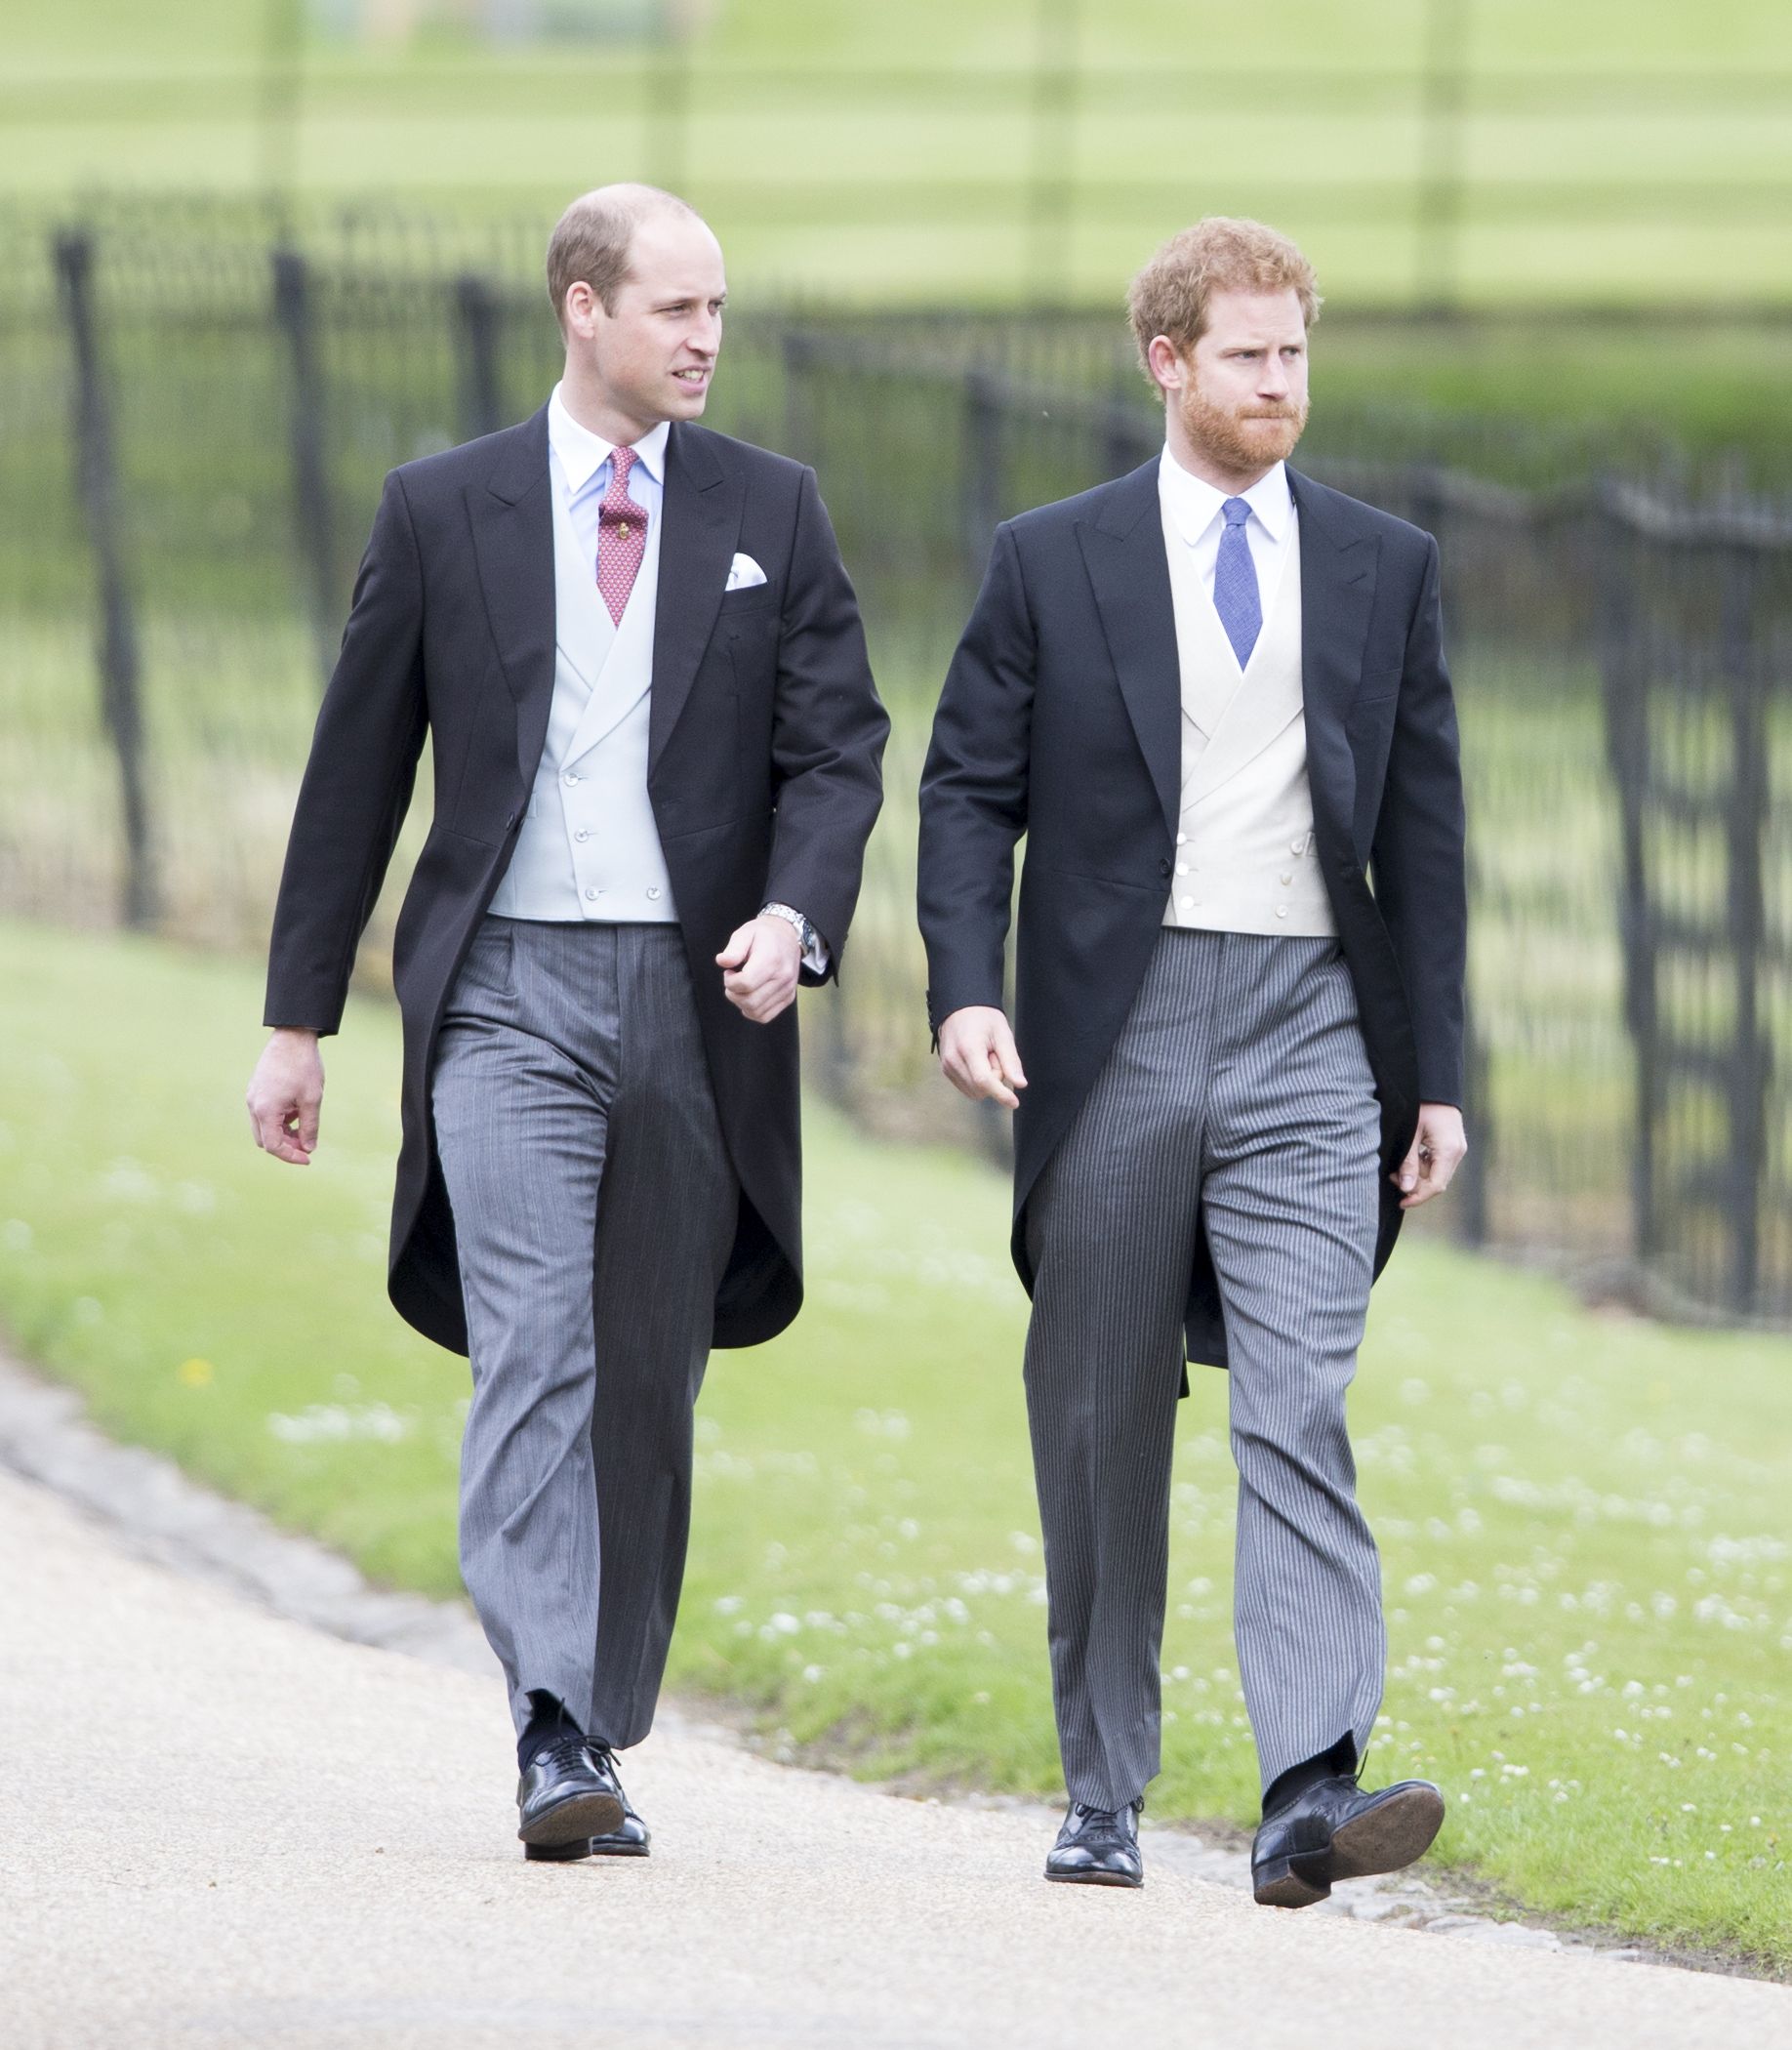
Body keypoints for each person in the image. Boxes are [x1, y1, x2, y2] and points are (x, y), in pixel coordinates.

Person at [247, 184, 886, 1863]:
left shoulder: (775, 508)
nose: (706, 341)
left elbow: (840, 751)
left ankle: (595, 1711)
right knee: (534, 1341)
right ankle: (548, 1724)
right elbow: (357, 773)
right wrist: (295, 1021)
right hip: (507, 996)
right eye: (676, 309)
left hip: (699, 1007)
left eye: (721, 311)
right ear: (582, 310)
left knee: (647, 1381)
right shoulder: (444, 507)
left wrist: (793, 917)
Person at [916, 217, 1467, 1902]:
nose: (1280, 383)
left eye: (1296, 353)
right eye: (1248, 355)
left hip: (1316, 1031)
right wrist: (964, 988)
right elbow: (963, 791)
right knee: (1099, 1413)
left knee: (1299, 1395)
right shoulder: (1052, 557)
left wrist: (1434, 1071)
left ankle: (1310, 1785)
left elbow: (1429, 832)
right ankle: (1104, 1786)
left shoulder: (1384, 564)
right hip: (1116, 1028)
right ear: (1168, 361)